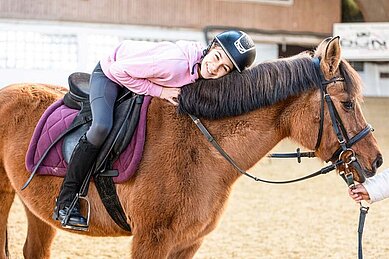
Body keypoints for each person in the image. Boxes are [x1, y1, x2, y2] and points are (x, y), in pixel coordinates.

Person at [52, 30, 257, 229]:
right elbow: (118, 71)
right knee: (101, 127)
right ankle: (66, 201)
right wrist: (160, 91)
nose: (214, 68)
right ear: (211, 47)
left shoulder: (203, 69)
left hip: (141, 78)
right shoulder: (174, 65)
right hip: (111, 74)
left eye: (224, 68)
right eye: (218, 57)